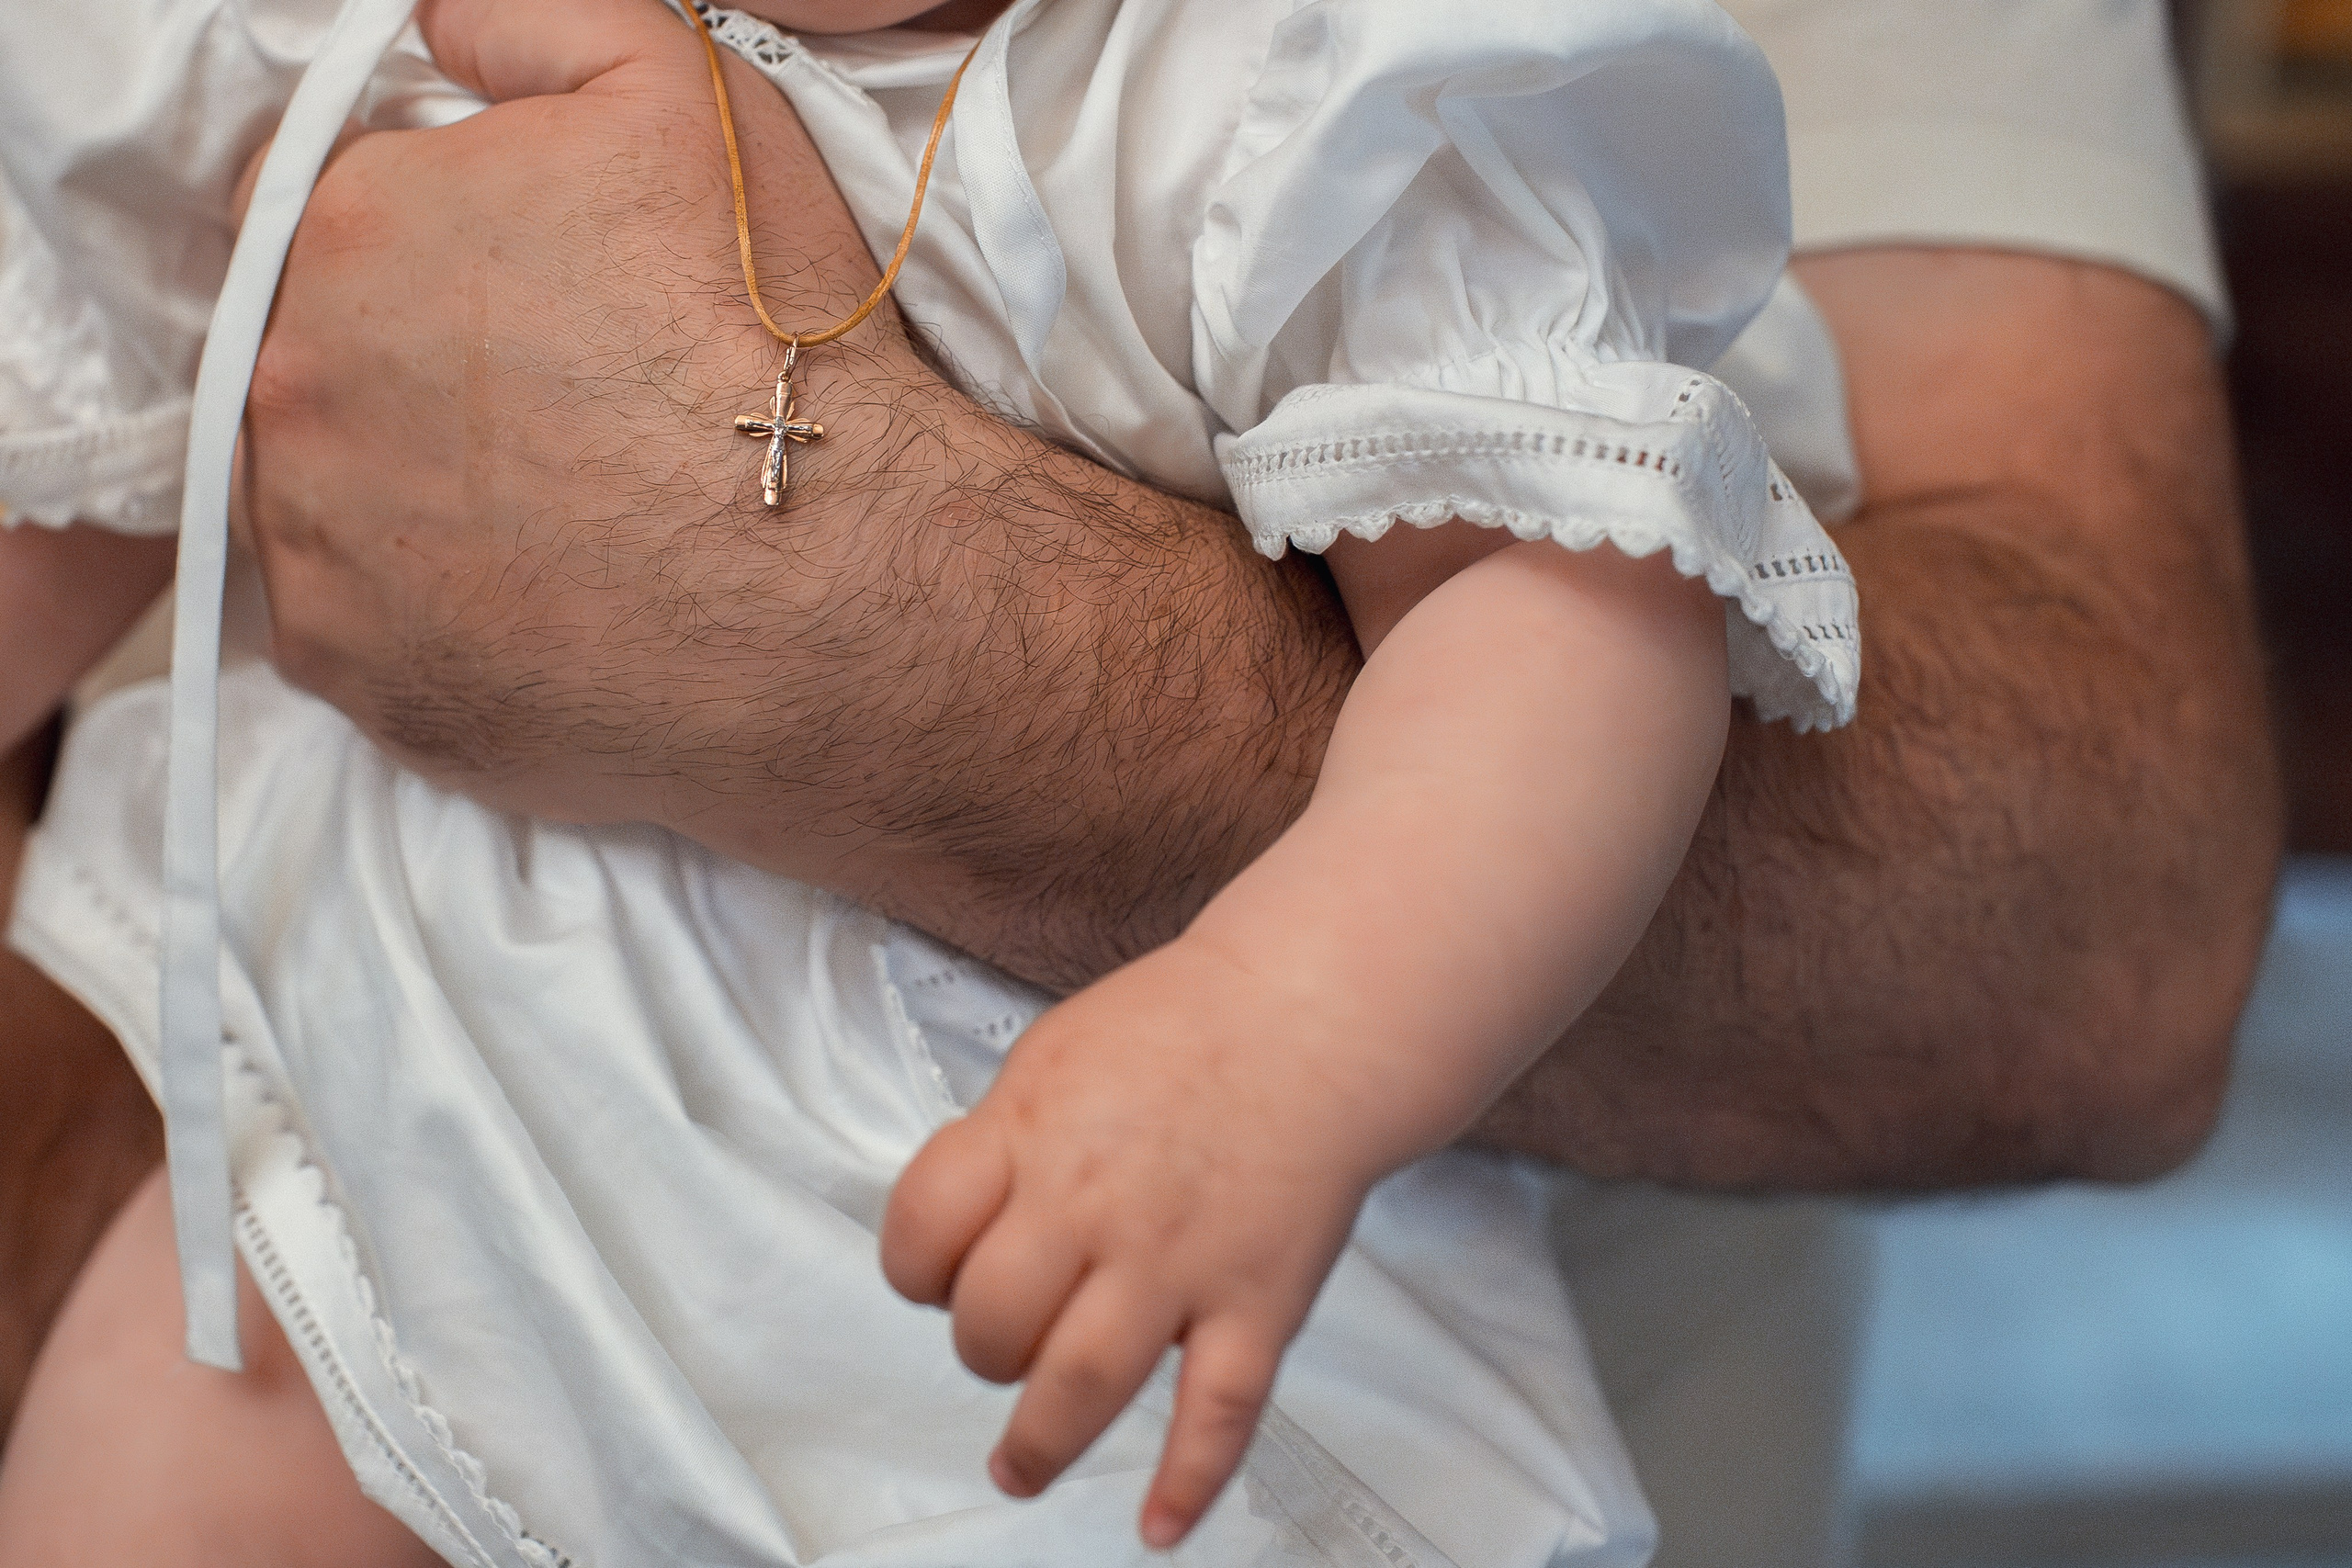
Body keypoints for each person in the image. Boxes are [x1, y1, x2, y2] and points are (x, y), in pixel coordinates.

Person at [0, 2, 2280, 1565]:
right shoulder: (365, 42)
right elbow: (96, 443)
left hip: (977, 1259)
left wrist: (1289, 1017)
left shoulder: (1263, 113)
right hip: (345, 1146)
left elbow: (1565, 611)